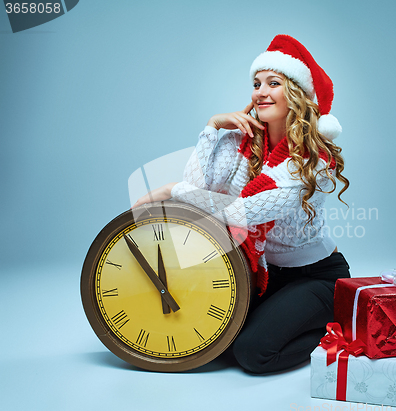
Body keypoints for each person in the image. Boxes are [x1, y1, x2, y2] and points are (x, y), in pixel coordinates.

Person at [132, 34, 350, 374]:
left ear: (297, 94)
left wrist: (171, 190)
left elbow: (241, 213)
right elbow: (198, 186)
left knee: (252, 354)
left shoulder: (314, 161)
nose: (260, 92)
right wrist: (212, 128)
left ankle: (339, 328)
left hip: (315, 277)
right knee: (216, 340)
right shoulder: (239, 141)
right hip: (260, 272)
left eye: (273, 83)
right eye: (256, 83)